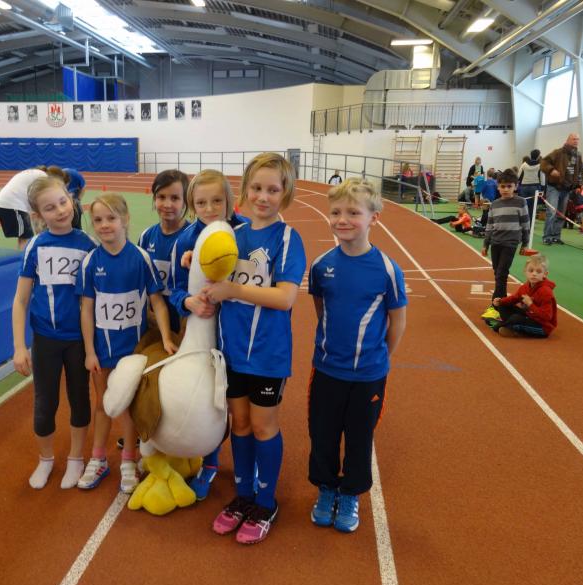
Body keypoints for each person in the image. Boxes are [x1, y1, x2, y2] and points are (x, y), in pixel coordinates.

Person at [203, 153, 306, 545]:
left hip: (267, 355)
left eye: (273, 190)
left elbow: (285, 297)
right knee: (240, 424)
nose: (264, 197)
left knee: (263, 426)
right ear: (245, 190)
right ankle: (243, 495)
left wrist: (233, 289)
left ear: (285, 194)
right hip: (232, 352)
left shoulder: (288, 239)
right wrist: (194, 258)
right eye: (257, 188)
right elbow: (209, 268)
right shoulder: (232, 235)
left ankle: (265, 502)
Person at [307, 178, 407, 533]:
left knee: (359, 437)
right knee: (322, 434)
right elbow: (321, 309)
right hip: (327, 370)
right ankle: (326, 489)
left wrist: (380, 358)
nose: (342, 219)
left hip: (368, 375)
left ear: (373, 218)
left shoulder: (387, 269)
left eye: (353, 212)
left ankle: (350, 493)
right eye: (335, 212)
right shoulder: (321, 265)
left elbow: (397, 320)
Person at [76, 193, 178, 493]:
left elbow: (157, 302)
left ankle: (128, 460)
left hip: (134, 350)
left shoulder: (140, 258)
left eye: (111, 218)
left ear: (125, 220)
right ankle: (98, 459)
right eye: (98, 220)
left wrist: (166, 337)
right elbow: (86, 310)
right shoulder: (91, 262)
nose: (104, 225)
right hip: (103, 351)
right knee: (103, 404)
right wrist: (89, 351)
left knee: (130, 407)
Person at [11, 177, 97, 489]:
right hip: (46, 339)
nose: (60, 210)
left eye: (63, 202)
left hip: (78, 340)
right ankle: (45, 459)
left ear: (71, 200)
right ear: (38, 215)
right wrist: (19, 346)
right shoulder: (35, 246)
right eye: (50, 208)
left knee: (79, 398)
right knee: (45, 403)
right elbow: (21, 301)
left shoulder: (88, 245)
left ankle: (76, 458)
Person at [167, 169, 247, 501]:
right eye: (201, 203)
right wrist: (187, 302)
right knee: (209, 400)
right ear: (192, 205)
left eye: (217, 201)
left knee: (240, 405)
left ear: (229, 200)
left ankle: (246, 467)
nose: (210, 209)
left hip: (240, 334)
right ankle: (210, 461)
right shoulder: (186, 240)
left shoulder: (246, 232)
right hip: (203, 334)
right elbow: (172, 288)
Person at [139, 170, 190, 333]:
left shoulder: (193, 237)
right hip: (155, 323)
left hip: (185, 323)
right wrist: (148, 314)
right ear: (154, 199)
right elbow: (141, 281)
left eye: (174, 198)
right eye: (161, 197)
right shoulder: (146, 237)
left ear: (185, 201)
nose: (167, 204)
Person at [481, 169, 530, 301]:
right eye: (503, 186)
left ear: (516, 186)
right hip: (495, 242)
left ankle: (497, 303)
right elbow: (489, 225)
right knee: (497, 272)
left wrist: (525, 243)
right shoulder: (494, 204)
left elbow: (525, 224)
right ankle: (502, 302)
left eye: (509, 186)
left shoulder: (520, 202)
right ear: (498, 187)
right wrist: (486, 244)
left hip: (510, 242)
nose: (506, 189)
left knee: (502, 273)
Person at [0, 166, 66, 250]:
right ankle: (25, 256)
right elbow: (43, 200)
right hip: (13, 204)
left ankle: (24, 254)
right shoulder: (43, 177)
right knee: (26, 237)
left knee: (24, 236)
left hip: (5, 202)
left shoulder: (35, 173)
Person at [491, 254, 557, 338]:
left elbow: (547, 316)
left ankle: (511, 328)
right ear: (525, 271)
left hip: (542, 326)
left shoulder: (546, 291)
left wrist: (530, 305)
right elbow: (514, 298)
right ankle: (509, 325)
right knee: (503, 305)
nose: (534, 274)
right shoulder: (525, 287)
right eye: (531, 270)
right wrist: (500, 301)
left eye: (538, 271)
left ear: (545, 274)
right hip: (529, 317)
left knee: (514, 319)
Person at [540, 133, 583, 245]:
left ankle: (556, 236)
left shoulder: (578, 155)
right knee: (551, 212)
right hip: (554, 187)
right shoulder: (558, 152)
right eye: (573, 139)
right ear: (568, 140)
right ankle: (547, 237)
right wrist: (551, 170)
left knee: (561, 215)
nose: (576, 141)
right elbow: (543, 162)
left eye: (577, 139)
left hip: (567, 189)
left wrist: (578, 185)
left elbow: (580, 171)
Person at [518, 150, 543, 224]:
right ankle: (530, 224)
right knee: (533, 207)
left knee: (524, 206)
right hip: (535, 187)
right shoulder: (540, 165)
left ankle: (523, 223)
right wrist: (543, 189)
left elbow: (518, 176)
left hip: (524, 187)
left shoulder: (524, 164)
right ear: (538, 156)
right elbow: (542, 178)